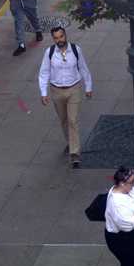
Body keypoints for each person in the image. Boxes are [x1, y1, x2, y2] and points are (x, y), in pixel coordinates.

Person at [38, 25, 93, 167]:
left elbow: (83, 68)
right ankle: (70, 142)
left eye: (61, 36)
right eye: (56, 38)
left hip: (73, 89)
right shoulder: (49, 53)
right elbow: (44, 73)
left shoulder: (75, 50)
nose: (59, 40)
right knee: (63, 120)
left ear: (65, 35)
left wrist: (88, 86)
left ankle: (75, 154)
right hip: (56, 91)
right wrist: (43, 93)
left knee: (72, 120)